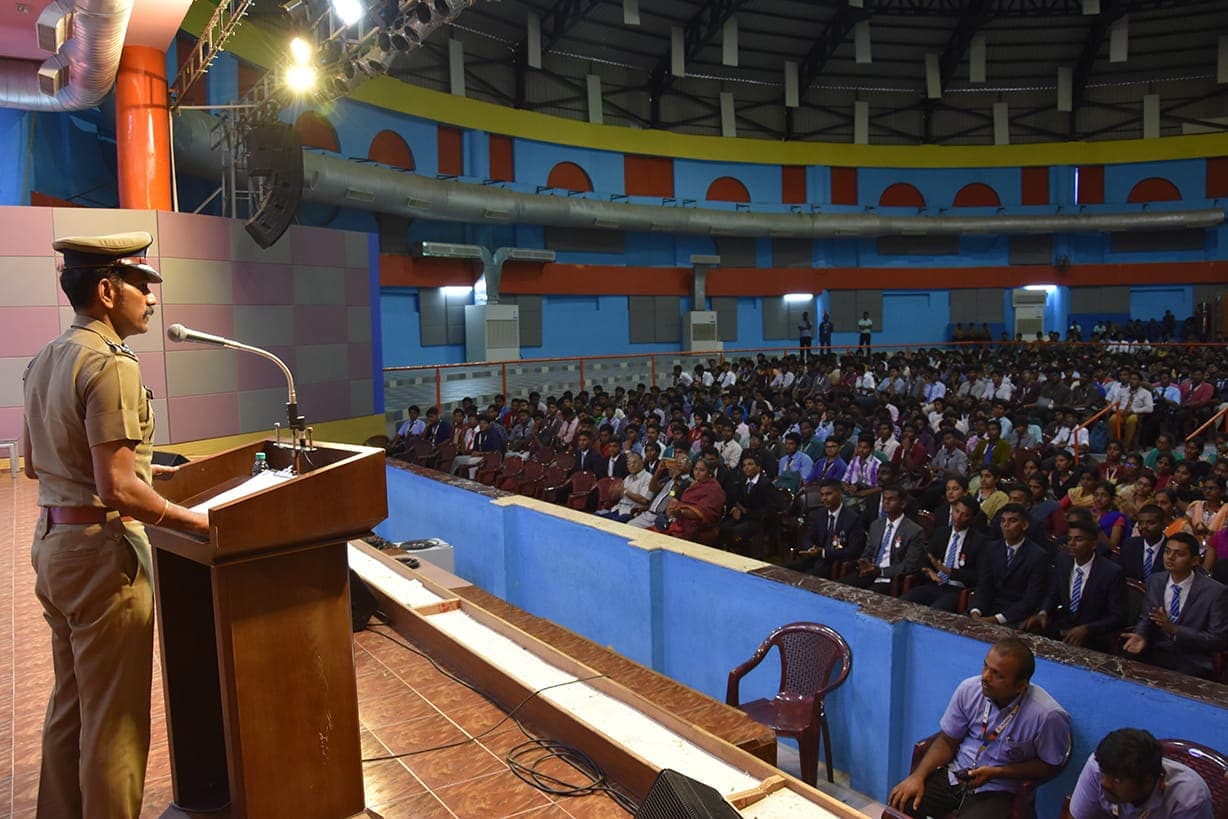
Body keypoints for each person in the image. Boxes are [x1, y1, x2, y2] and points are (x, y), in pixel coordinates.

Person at [22, 232, 211, 818]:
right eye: (141, 286)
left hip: (54, 545)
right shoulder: (111, 364)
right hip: (103, 555)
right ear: (107, 291)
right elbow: (119, 488)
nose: (151, 299)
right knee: (116, 722)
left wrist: (141, 472)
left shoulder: (45, 358)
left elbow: (31, 463)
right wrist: (196, 522)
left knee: (72, 705)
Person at [887, 639, 1071, 819]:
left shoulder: (1047, 715)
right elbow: (947, 741)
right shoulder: (969, 689)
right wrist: (917, 777)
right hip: (957, 775)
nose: (985, 677)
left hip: (999, 789)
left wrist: (997, 772)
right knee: (901, 804)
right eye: (985, 667)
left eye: (997, 674)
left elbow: (1049, 766)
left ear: (1020, 687)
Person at [1123, 532, 1228, 678]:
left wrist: (1175, 630)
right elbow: (1146, 617)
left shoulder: (1215, 592)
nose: (1170, 557)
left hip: (1192, 657)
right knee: (1124, 663)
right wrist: (1141, 634)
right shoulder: (1155, 581)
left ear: (1195, 560)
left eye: (1179, 554)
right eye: (1167, 552)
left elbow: (1218, 640)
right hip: (1156, 648)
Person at [1022, 518, 1127, 651]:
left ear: (1093, 544)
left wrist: (1087, 629)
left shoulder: (1111, 572)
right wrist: (1043, 612)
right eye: (1069, 539)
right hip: (1064, 627)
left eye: (1079, 539)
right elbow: (1053, 593)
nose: (1071, 543)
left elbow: (1118, 616)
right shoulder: (1063, 560)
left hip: (1095, 635)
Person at [1068, 728, 1213, 818]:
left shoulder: (1189, 798)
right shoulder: (1096, 767)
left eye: (1117, 779)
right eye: (1104, 773)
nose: (1104, 783)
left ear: (1147, 781)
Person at [968, 504, 1050, 626]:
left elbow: (1030, 600)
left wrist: (995, 619)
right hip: (988, 609)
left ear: (1024, 525)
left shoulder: (1038, 556)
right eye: (1003, 521)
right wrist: (976, 611)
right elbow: (983, 585)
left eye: (1012, 521)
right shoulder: (991, 548)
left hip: (1015, 616)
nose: (1006, 525)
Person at [903, 496, 986, 612]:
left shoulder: (979, 541)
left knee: (934, 612)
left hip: (957, 590)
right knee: (903, 602)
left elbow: (978, 576)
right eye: (957, 511)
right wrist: (928, 570)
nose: (958, 517)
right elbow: (924, 558)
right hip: (934, 584)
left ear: (972, 518)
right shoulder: (941, 533)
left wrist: (949, 571)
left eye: (965, 515)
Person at [841, 485, 926, 591]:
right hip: (869, 573)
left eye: (891, 499)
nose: (886, 502)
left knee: (869, 596)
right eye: (884, 499)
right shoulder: (876, 525)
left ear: (903, 504)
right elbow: (868, 552)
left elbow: (910, 565)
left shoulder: (914, 531)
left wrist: (881, 571)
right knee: (839, 587)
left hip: (891, 578)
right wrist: (864, 562)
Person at [790, 479, 867, 578]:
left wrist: (823, 553)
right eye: (822, 495)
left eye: (828, 494)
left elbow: (853, 551)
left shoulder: (852, 519)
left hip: (834, 563)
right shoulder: (820, 514)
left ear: (839, 493)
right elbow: (808, 537)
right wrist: (811, 548)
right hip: (814, 559)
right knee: (786, 570)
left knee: (807, 578)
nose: (824, 498)